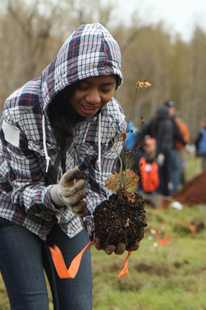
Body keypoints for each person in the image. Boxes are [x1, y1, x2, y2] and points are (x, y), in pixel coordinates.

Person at [0, 23, 129, 309]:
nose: (95, 98)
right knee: (31, 304)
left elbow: (99, 186)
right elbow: (20, 188)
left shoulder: (113, 120)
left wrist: (103, 226)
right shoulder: (20, 108)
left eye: (105, 88)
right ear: (64, 81)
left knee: (77, 305)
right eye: (83, 86)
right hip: (15, 215)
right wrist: (56, 195)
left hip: (70, 221)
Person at [138, 136, 161, 208]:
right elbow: (138, 177)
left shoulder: (159, 161)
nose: (147, 147)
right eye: (145, 145)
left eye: (149, 145)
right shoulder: (141, 160)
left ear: (155, 146)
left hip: (156, 193)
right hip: (143, 192)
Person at [174, 111, 190, 186]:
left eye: (178, 118)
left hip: (181, 148)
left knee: (182, 164)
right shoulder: (173, 126)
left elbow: (186, 138)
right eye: (175, 118)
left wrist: (183, 143)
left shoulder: (182, 127)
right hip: (174, 148)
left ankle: (182, 180)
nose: (176, 120)